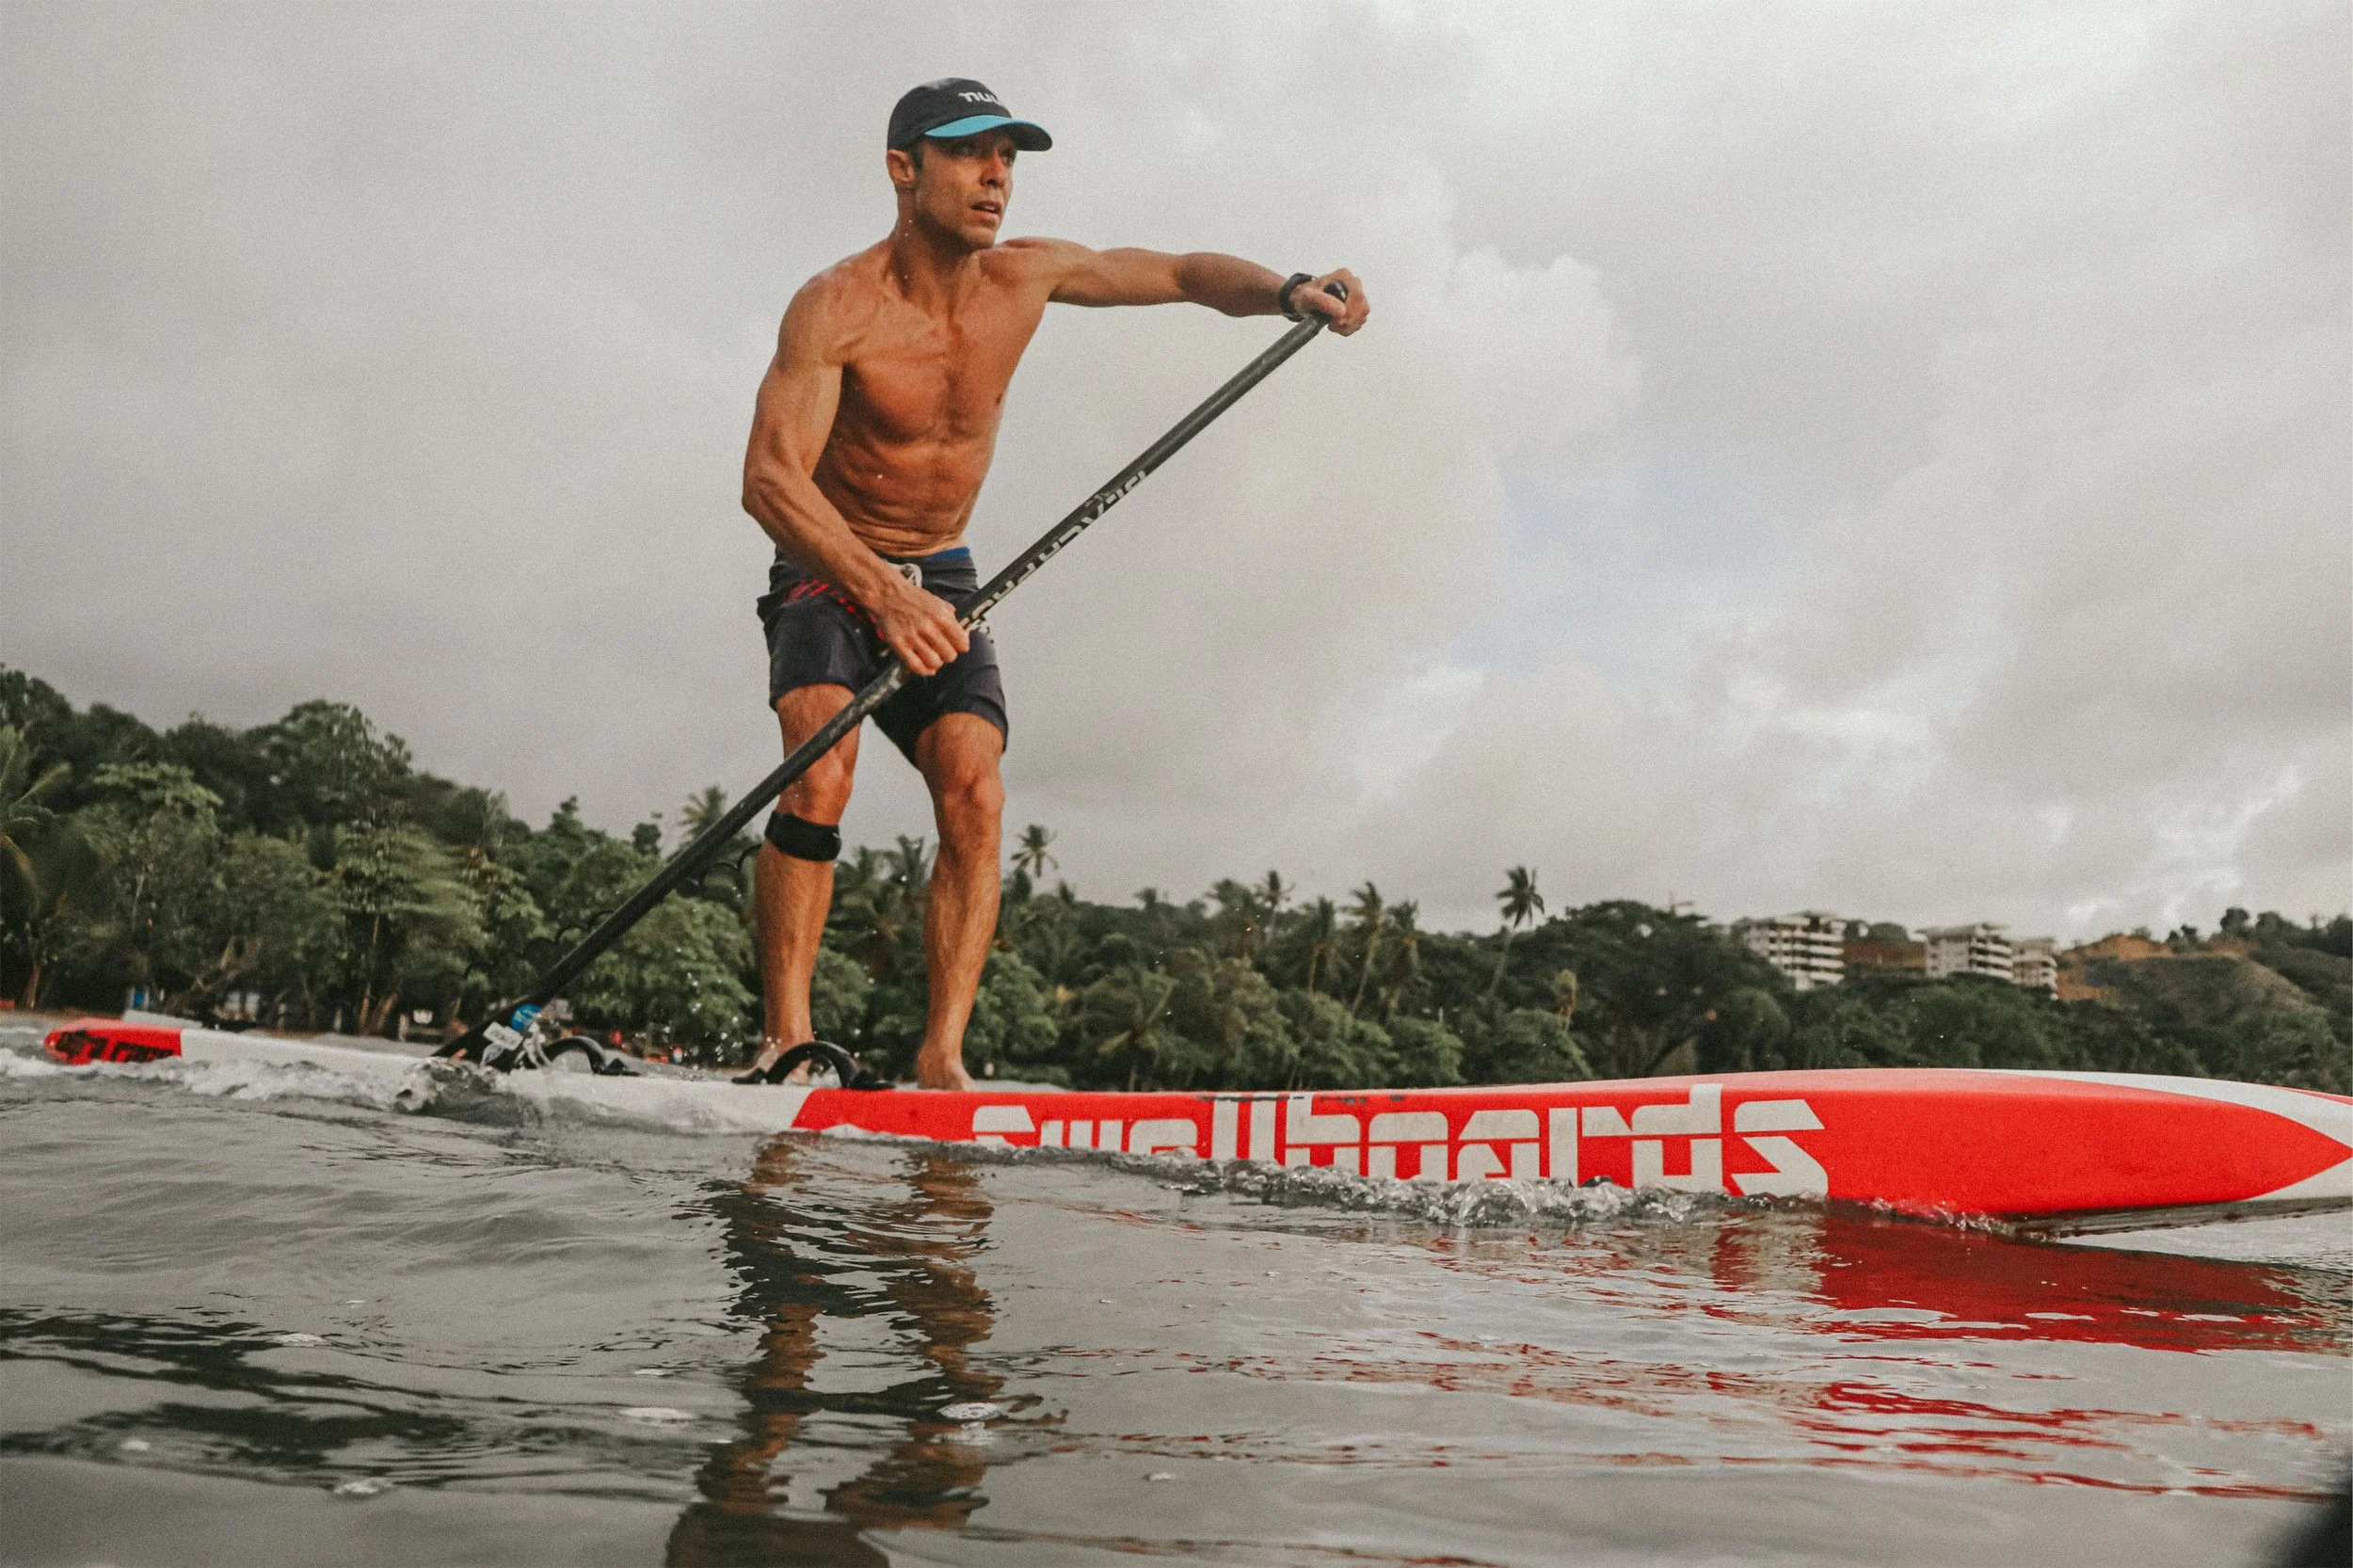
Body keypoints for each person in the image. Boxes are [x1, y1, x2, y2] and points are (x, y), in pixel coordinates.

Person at [735, 77, 1369, 1089]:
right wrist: (883, 595)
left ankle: (940, 1059)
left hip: (942, 569)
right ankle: (787, 1041)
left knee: (976, 797)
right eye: (969, 153)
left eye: (1009, 157)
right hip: (831, 559)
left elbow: (1176, 271)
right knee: (819, 774)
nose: (996, 177)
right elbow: (769, 480)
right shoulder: (836, 308)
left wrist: (1287, 289)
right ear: (904, 169)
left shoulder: (1024, 277)